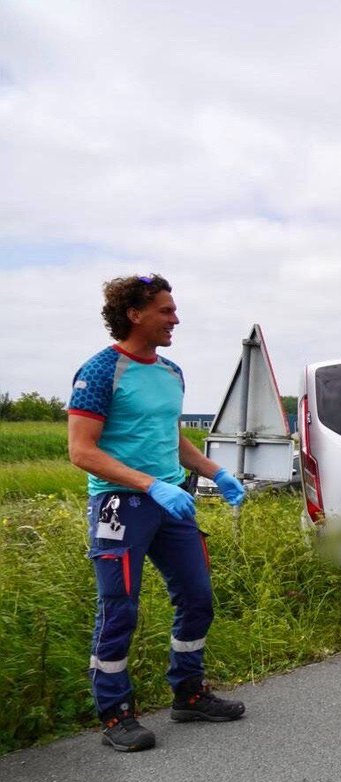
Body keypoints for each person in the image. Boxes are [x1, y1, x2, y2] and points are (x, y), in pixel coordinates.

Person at [68, 274, 247, 753]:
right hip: (119, 504)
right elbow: (82, 451)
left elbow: (170, 436)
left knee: (198, 597)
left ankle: (189, 693)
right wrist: (149, 485)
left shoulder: (171, 372)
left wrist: (216, 472)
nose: (175, 319)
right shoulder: (100, 372)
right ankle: (115, 713)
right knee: (119, 608)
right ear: (135, 315)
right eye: (166, 311)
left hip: (172, 503)